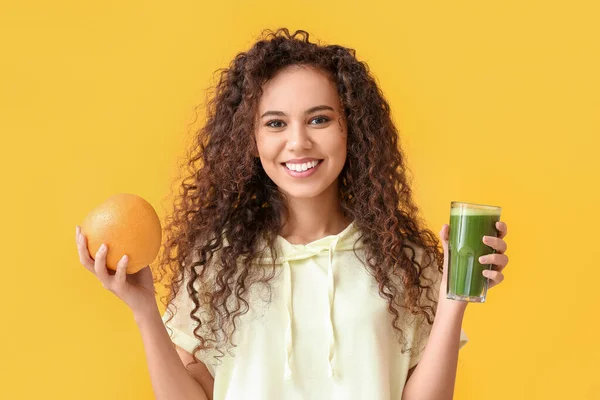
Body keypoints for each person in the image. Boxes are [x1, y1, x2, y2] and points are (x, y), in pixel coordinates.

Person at [75, 28, 510, 400]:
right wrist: (144, 309)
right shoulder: (219, 262)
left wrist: (455, 298)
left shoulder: (402, 258)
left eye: (319, 120)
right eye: (276, 123)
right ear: (251, 139)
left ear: (350, 128)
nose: (298, 142)